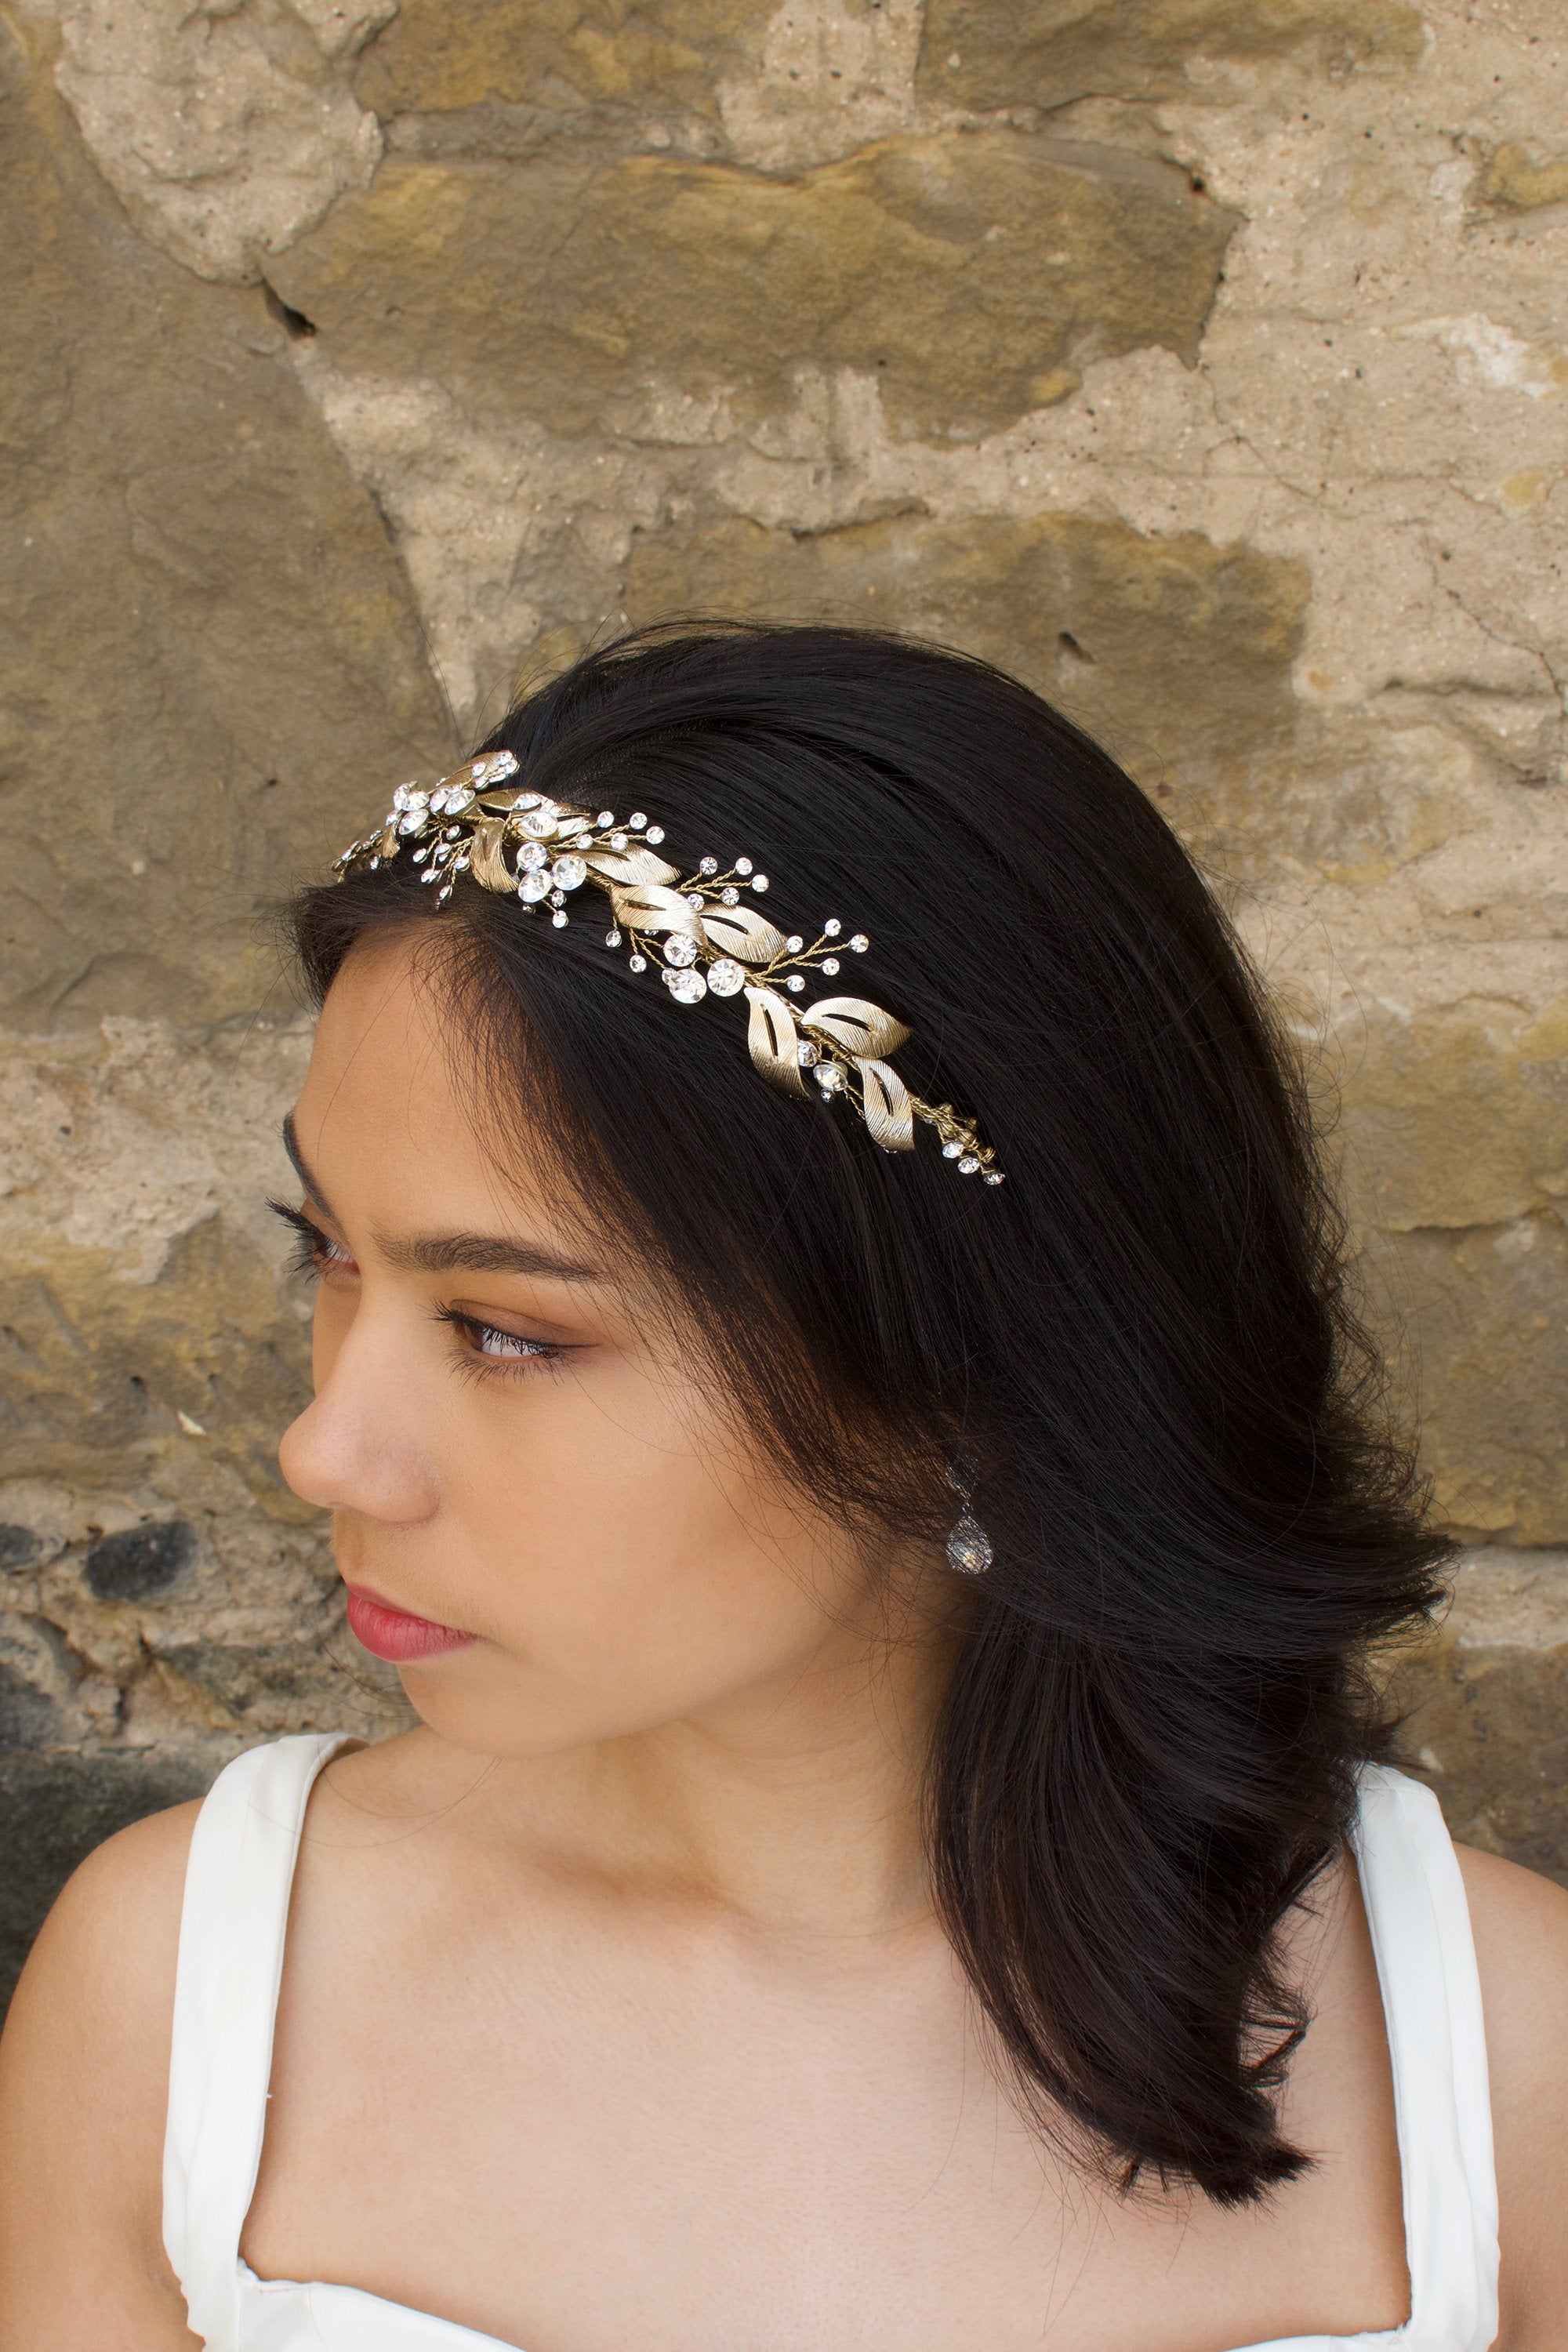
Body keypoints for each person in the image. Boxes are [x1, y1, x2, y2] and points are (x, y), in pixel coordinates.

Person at [1, 623, 1563, 2351]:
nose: (324, 1449)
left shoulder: (1499, 2068)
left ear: (969, 1375)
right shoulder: (187, 2003)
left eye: (509, 1332)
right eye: (329, 1253)